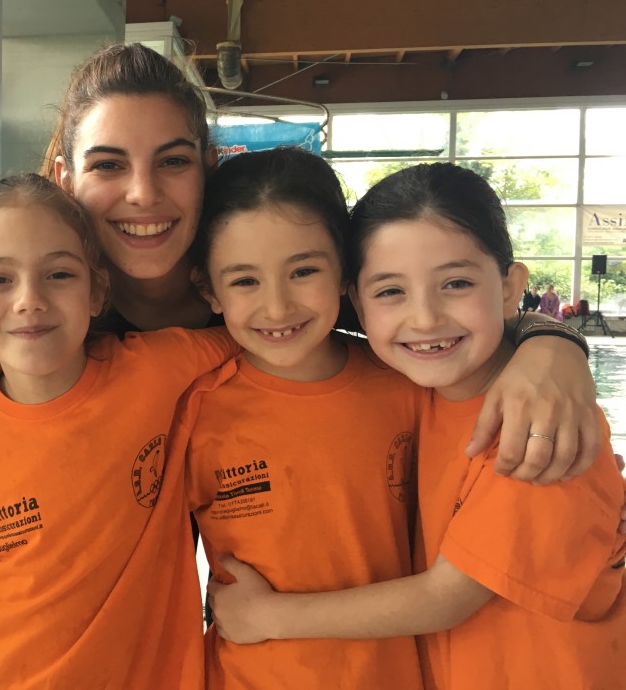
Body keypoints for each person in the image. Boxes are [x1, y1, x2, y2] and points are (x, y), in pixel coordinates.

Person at [0, 48, 608, 480]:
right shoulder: (33, 283)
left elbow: (405, 304)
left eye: (171, 162)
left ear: (206, 167)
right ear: (63, 175)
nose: (142, 195)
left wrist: (546, 345)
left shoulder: (252, 288)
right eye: (107, 166)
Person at [206, 163, 626, 690]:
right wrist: (554, 340)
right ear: (358, 303)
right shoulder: (421, 392)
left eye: (456, 283)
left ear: (509, 287)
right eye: (390, 291)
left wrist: (266, 617)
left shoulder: (542, 423)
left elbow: (447, 597)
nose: (425, 318)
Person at [0, 174, 238, 688]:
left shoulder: (157, 370)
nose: (29, 299)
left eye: (58, 274)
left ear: (97, 290)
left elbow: (258, 331)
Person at [177, 147, 425, 688]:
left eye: (304, 271)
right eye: (245, 281)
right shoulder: (192, 411)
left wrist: (552, 342)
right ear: (208, 290)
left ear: (345, 271)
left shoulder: (410, 388)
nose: (278, 307)